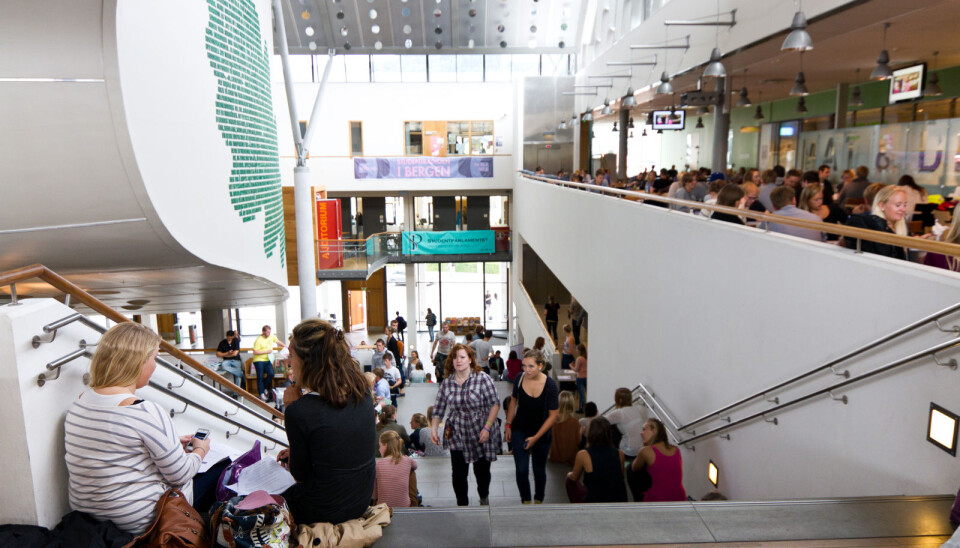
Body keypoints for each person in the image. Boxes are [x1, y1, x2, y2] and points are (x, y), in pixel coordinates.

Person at [64, 323, 217, 534]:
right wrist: (200, 450)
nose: (155, 366)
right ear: (137, 362)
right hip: (139, 521)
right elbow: (180, 475)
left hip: (89, 515)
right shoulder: (144, 411)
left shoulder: (81, 402)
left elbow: (116, 450)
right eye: (154, 358)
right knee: (218, 471)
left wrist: (170, 444)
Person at [277, 319, 375, 526]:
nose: (288, 361)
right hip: (360, 498)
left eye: (292, 355)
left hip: (326, 508)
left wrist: (293, 407)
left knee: (264, 498)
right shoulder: (361, 391)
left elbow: (300, 475)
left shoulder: (300, 411)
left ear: (306, 361)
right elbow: (338, 439)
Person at [430, 344, 502, 506]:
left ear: (470, 359)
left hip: (481, 430)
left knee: (481, 471)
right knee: (458, 473)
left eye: (462, 357)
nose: (458, 361)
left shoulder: (483, 379)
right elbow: (439, 409)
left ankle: (484, 495)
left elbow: (494, 404)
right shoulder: (447, 384)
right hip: (457, 431)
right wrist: (434, 428)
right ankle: (462, 504)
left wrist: (487, 427)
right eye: (455, 357)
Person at [505, 349, 559, 504]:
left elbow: (553, 415)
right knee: (521, 470)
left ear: (540, 366)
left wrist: (536, 438)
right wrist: (508, 425)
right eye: (524, 366)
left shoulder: (550, 385)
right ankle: (526, 500)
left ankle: (539, 499)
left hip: (541, 433)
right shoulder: (519, 379)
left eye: (531, 366)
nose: (526, 370)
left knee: (539, 470)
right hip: (520, 429)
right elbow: (513, 401)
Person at [566, 417, 627, 504]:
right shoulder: (620, 454)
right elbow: (620, 477)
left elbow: (574, 477)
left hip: (594, 501)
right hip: (617, 500)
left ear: (591, 433)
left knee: (569, 481)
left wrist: (568, 474)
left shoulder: (583, 454)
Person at [844, 185, 912, 260]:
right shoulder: (869, 225)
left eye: (905, 205)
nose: (903, 209)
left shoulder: (902, 225)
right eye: (898, 205)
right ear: (881, 205)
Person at [606, 387, 648, 500]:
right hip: (640, 448)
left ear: (619, 400)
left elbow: (601, 422)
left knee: (611, 429)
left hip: (628, 450)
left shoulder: (619, 413)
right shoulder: (636, 409)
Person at [631, 418, 687, 502]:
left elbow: (634, 468)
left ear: (654, 431)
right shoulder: (676, 450)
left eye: (644, 429)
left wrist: (643, 446)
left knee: (629, 469)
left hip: (658, 499)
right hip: (679, 497)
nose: (641, 433)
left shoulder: (645, 451)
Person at [373, 430, 417, 508]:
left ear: (386, 445)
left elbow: (374, 496)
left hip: (383, 510)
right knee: (411, 471)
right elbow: (415, 466)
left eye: (380, 446)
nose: (379, 449)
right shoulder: (408, 461)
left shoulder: (377, 464)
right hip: (404, 507)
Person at [252, 325, 285, 402]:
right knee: (260, 377)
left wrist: (285, 346)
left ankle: (263, 388)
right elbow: (255, 351)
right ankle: (261, 394)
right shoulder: (258, 340)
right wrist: (266, 351)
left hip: (267, 360)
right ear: (263, 331)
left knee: (271, 374)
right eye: (267, 332)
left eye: (270, 331)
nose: (269, 333)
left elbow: (277, 341)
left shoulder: (271, 336)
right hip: (259, 360)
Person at [549, 391, 582, 466]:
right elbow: (578, 441)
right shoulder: (574, 422)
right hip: (570, 458)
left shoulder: (551, 420)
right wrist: (581, 432)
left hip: (554, 457)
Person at [571, 343, 588, 413]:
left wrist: (571, 366)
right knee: (585, 392)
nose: (576, 350)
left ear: (579, 350)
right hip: (586, 377)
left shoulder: (579, 358)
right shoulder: (585, 358)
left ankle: (582, 408)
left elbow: (576, 369)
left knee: (581, 394)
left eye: (577, 349)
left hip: (580, 378)